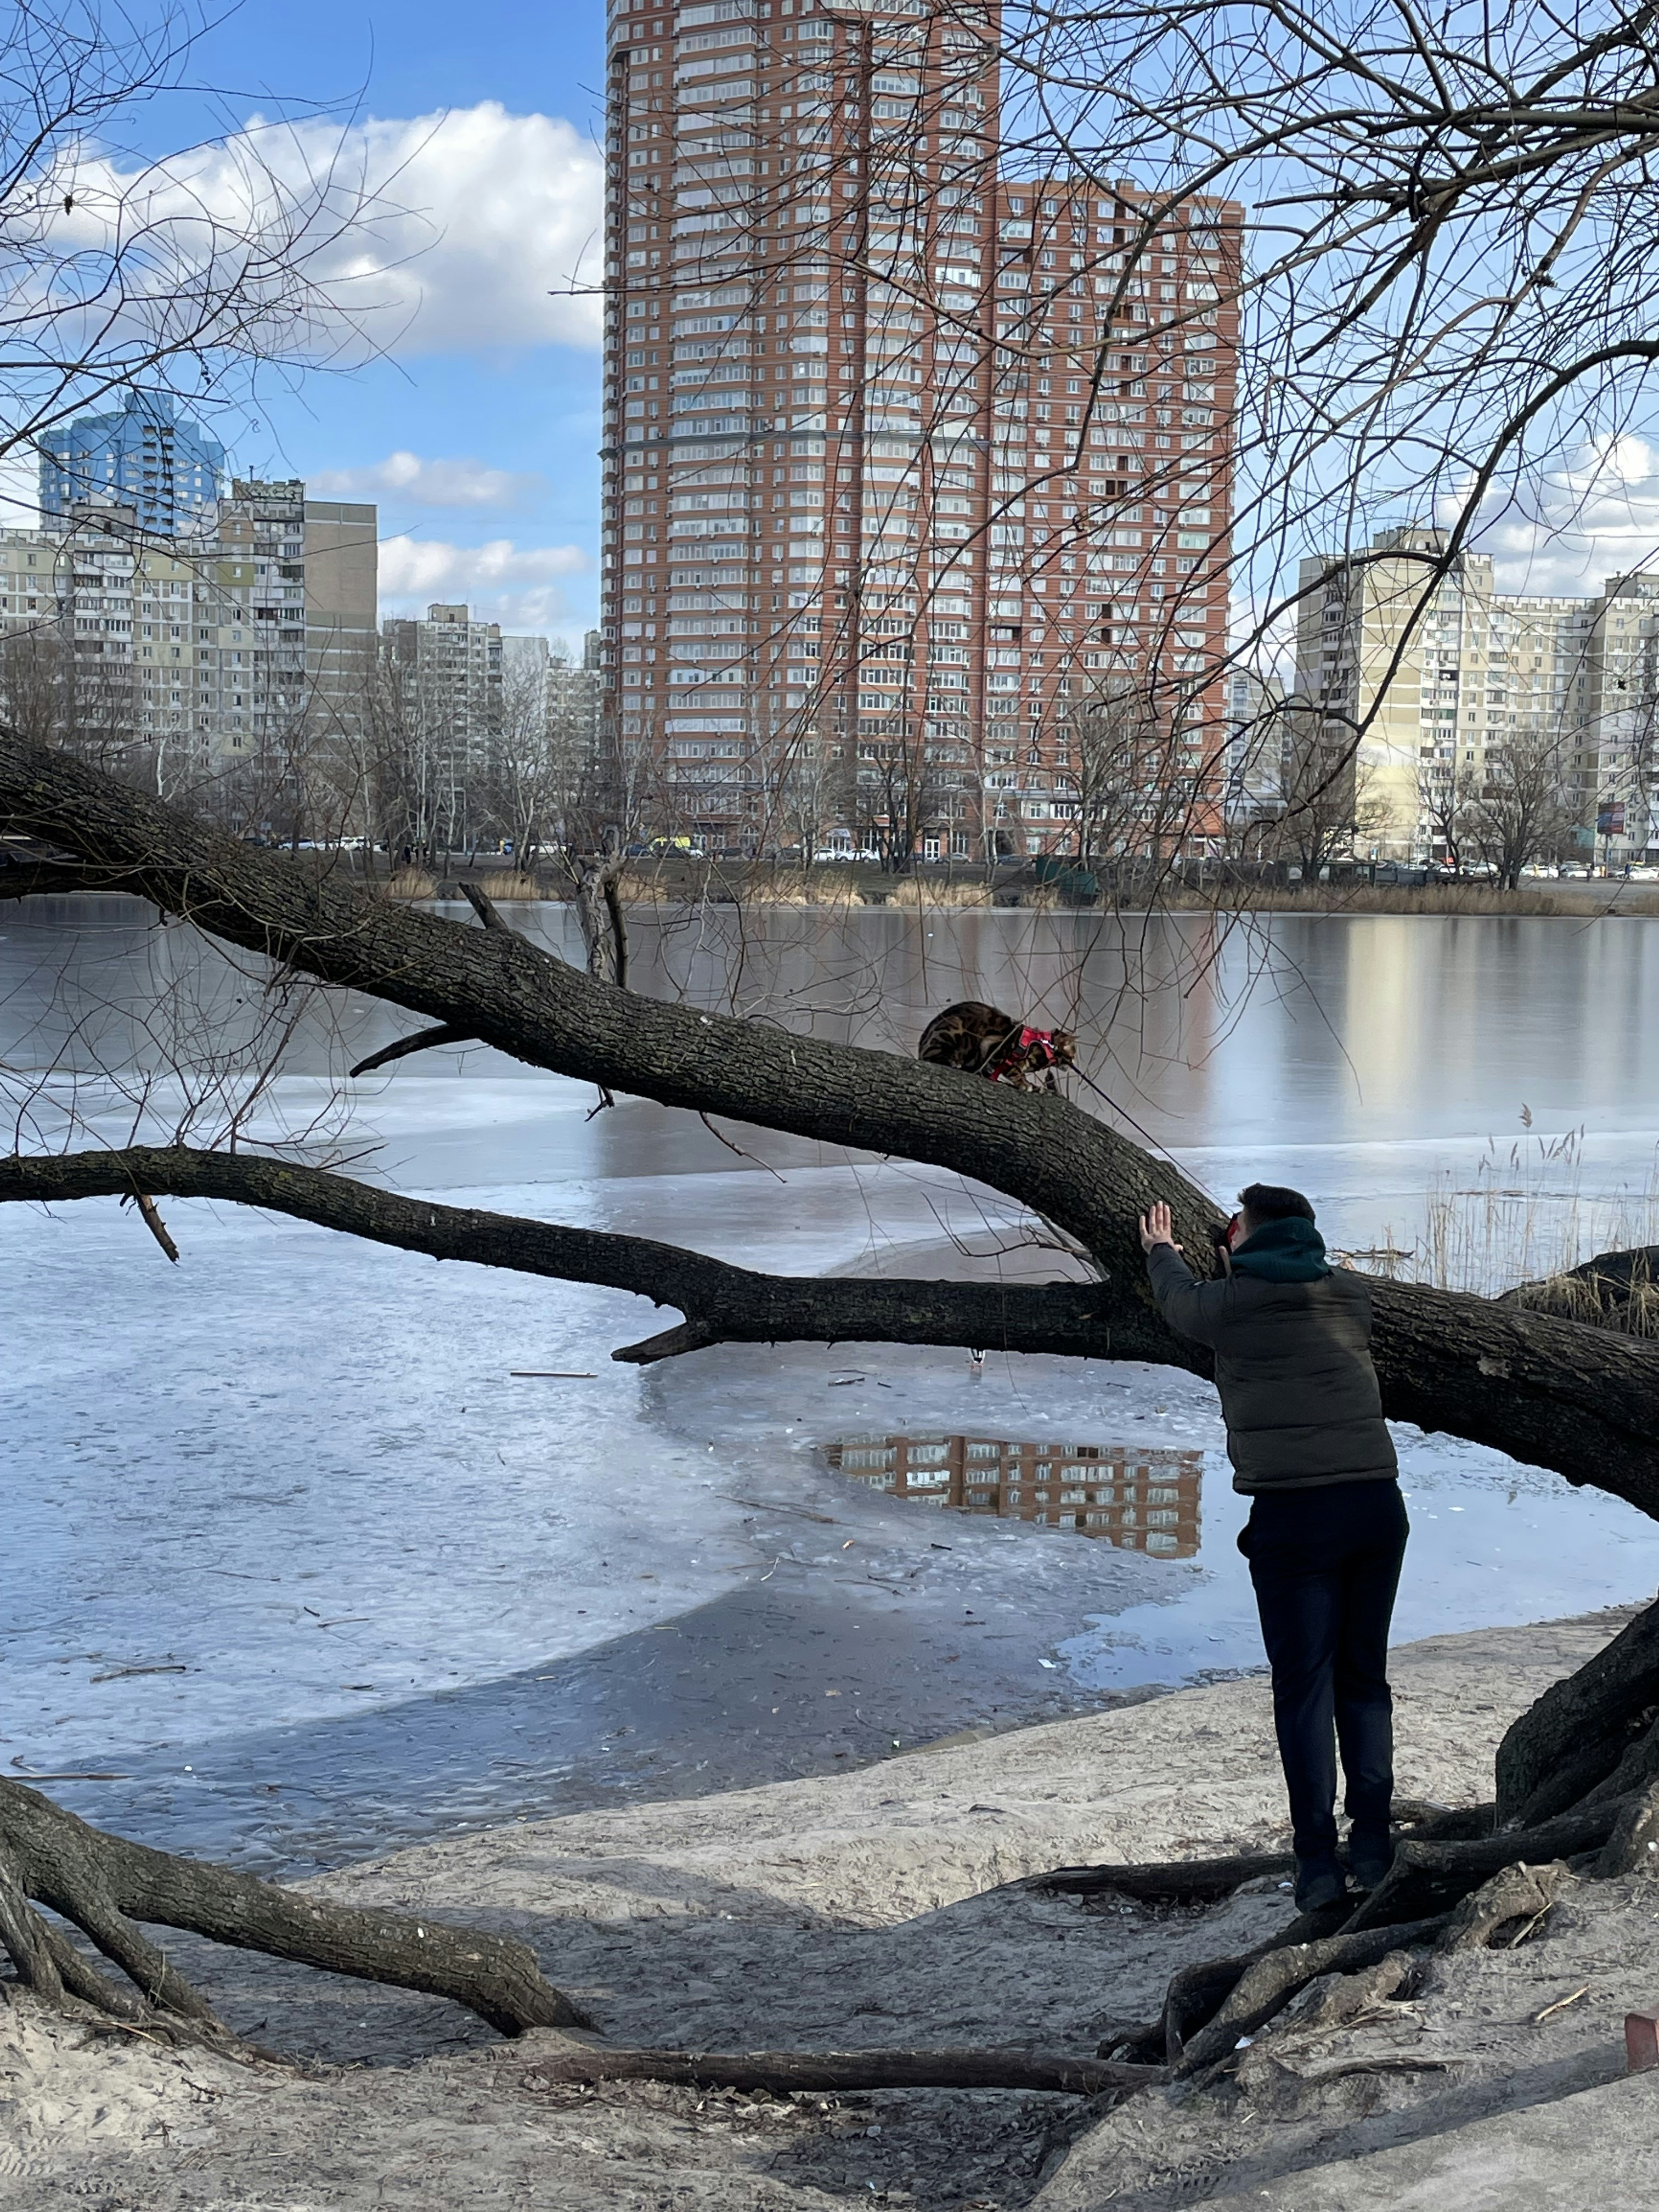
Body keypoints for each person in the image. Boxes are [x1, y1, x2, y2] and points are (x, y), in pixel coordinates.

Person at [1137, 1186, 1408, 1910]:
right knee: (1364, 1681)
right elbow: (1291, 1284)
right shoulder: (1349, 1295)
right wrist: (1245, 1261)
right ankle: (1376, 1846)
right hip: (1377, 1505)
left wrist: (1163, 1251)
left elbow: (1179, 1304)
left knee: (1304, 1690)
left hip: (1296, 1518)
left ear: (1245, 1238)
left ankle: (1319, 1866)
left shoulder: (1226, 1307)